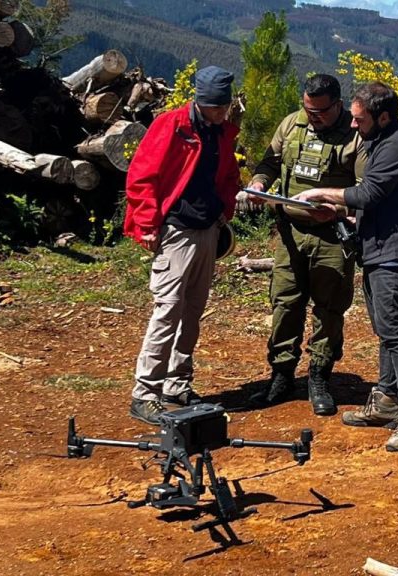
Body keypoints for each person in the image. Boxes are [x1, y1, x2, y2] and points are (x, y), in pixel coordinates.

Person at [294, 82, 398, 451]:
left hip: (395, 252)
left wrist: (321, 193)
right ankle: (385, 400)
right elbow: (375, 200)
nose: (353, 126)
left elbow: (368, 193)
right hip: (378, 247)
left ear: (382, 117)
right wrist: (339, 211)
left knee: (393, 332)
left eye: (359, 119)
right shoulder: (379, 139)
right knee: (384, 329)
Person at [123, 65, 240, 425]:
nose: (223, 113)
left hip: (207, 229)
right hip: (175, 231)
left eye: (225, 107)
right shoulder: (171, 125)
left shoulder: (221, 132)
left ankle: (176, 382)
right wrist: (146, 224)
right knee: (168, 308)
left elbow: (228, 176)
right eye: (217, 108)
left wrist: (225, 209)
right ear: (202, 102)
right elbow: (142, 176)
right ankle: (145, 392)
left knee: (193, 309)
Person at [246, 74, 367, 416]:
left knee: (329, 309)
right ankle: (281, 375)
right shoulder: (291, 125)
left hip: (331, 236)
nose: (312, 117)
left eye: (320, 112)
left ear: (337, 105)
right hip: (290, 232)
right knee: (285, 302)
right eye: (307, 109)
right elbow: (270, 161)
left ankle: (319, 376)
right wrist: (259, 182)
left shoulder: (354, 136)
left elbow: (365, 190)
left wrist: (339, 211)